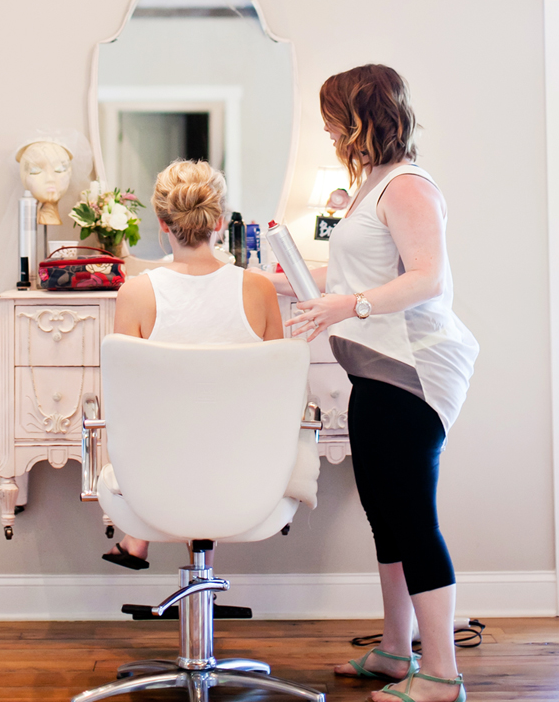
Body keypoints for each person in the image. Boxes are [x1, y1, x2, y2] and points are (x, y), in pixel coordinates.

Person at [286, 63, 479, 702]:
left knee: (413, 521)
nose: (327, 130)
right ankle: (398, 651)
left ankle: (443, 673)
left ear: (360, 117)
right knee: (385, 519)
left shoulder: (407, 186)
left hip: (412, 374)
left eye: (332, 118)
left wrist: (348, 306)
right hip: (375, 373)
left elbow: (427, 278)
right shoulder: (373, 186)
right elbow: (369, 268)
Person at [101, 159, 285, 570]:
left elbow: (126, 402)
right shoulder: (257, 289)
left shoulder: (136, 293)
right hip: (244, 470)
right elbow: (275, 396)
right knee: (216, 427)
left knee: (170, 426)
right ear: (219, 222)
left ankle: (138, 537)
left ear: (163, 224)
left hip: (161, 472)